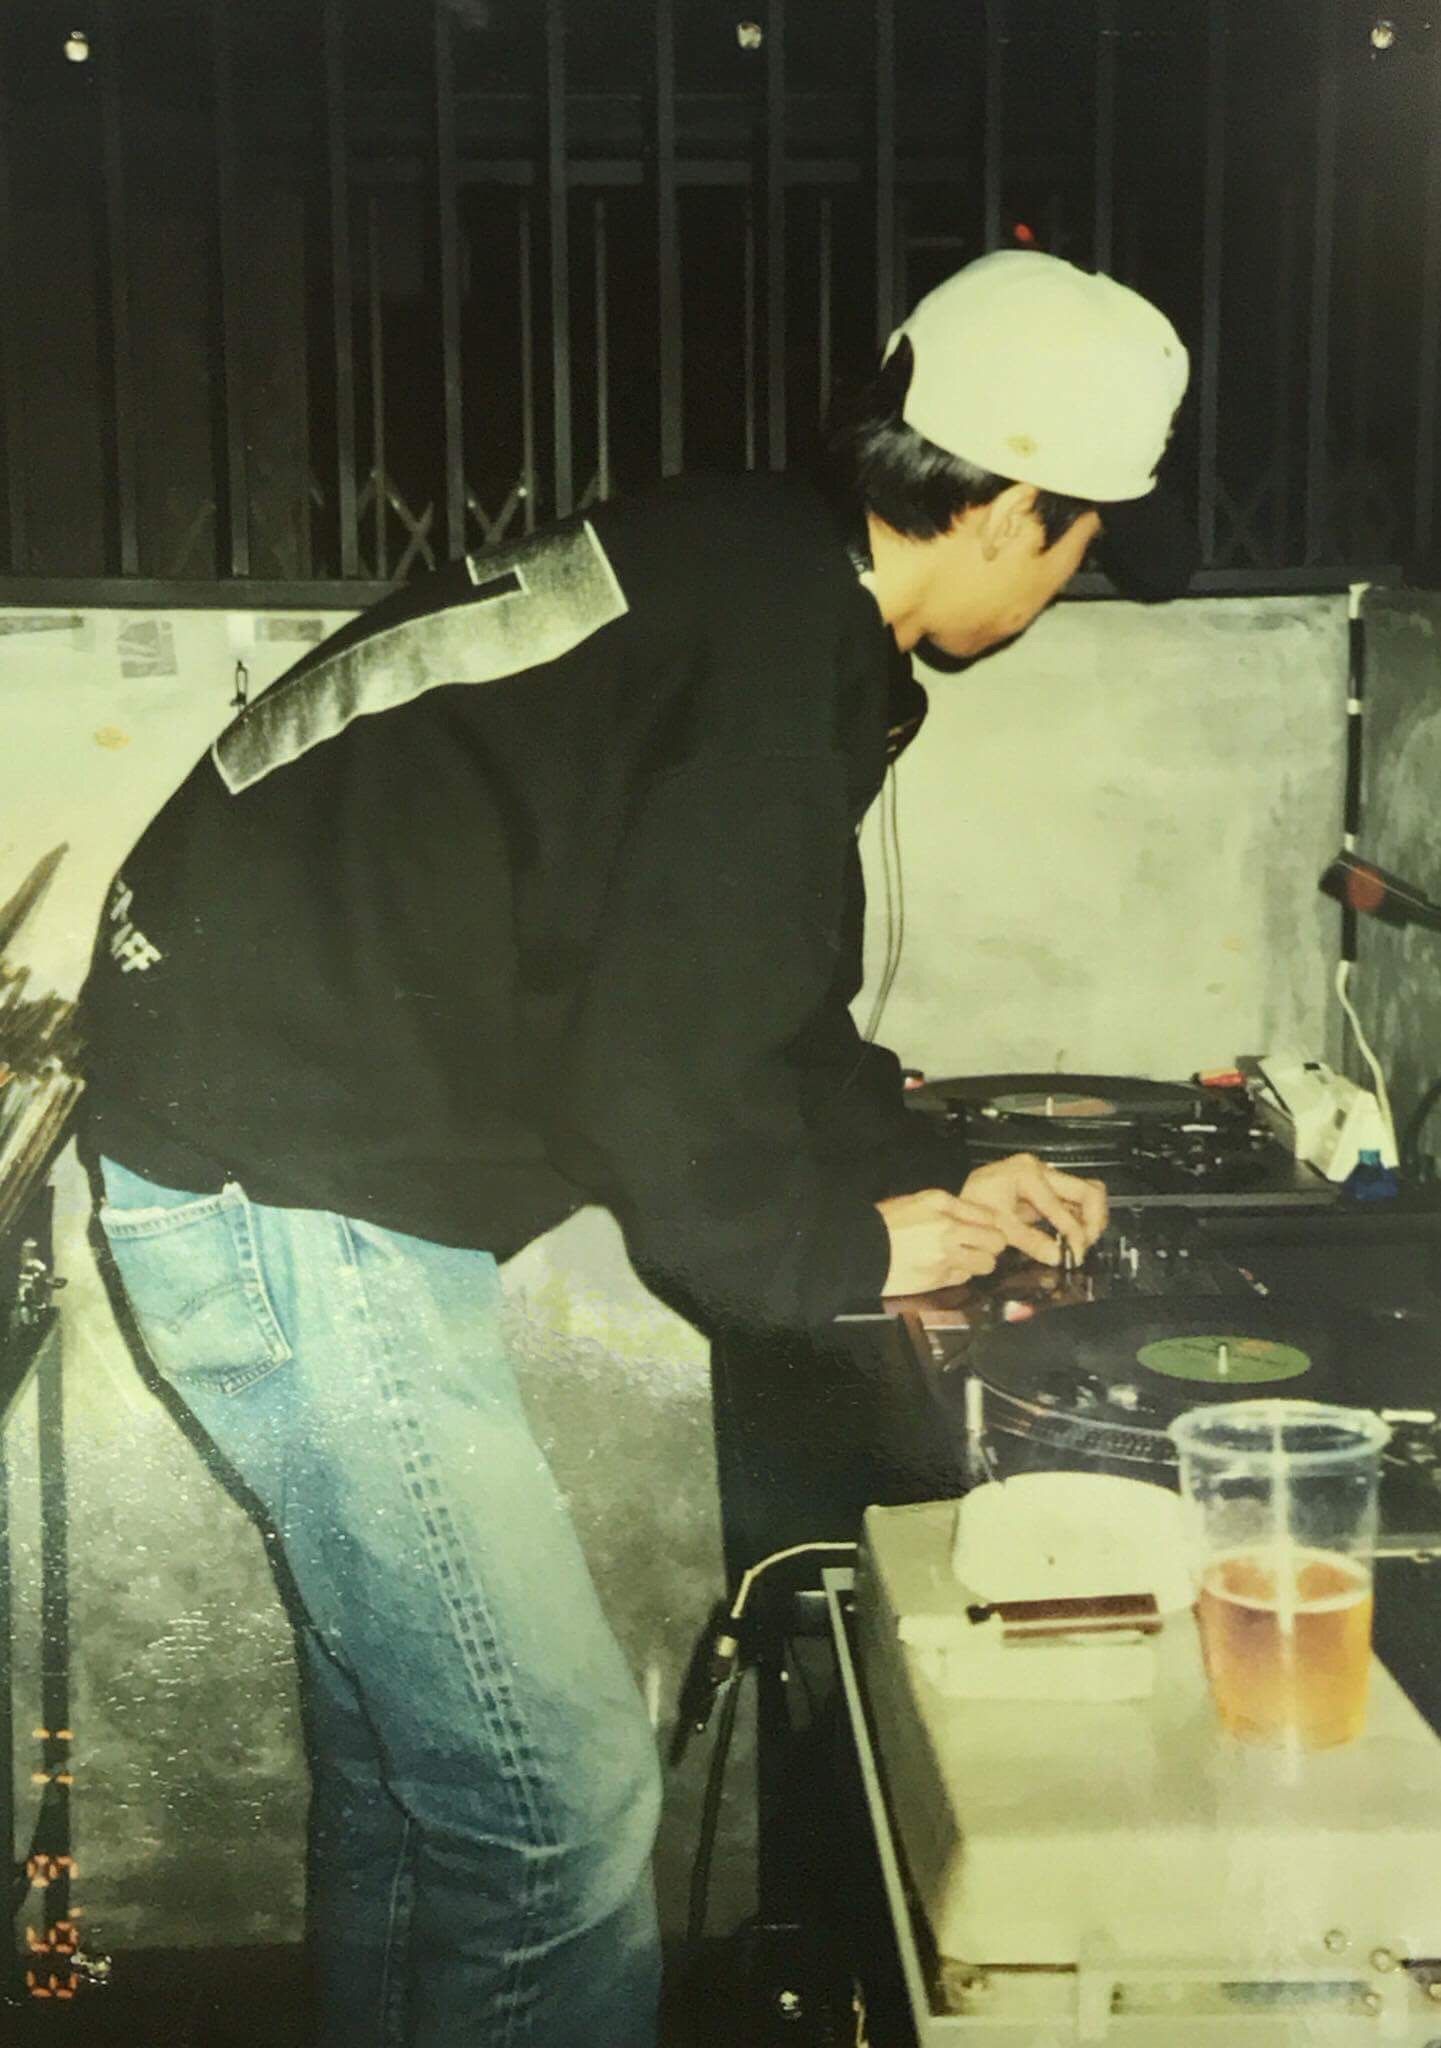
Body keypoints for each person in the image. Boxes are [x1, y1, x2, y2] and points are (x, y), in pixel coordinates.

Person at [78, 250, 1189, 2048]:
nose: (1067, 586)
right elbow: (658, 1069)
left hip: (265, 1156)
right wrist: (844, 1249)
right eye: (1082, 545)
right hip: (279, 1186)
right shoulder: (769, 650)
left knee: (418, 1778)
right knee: (555, 1802)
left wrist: (914, 1161)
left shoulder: (745, 562)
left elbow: (736, 989)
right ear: (1008, 510)